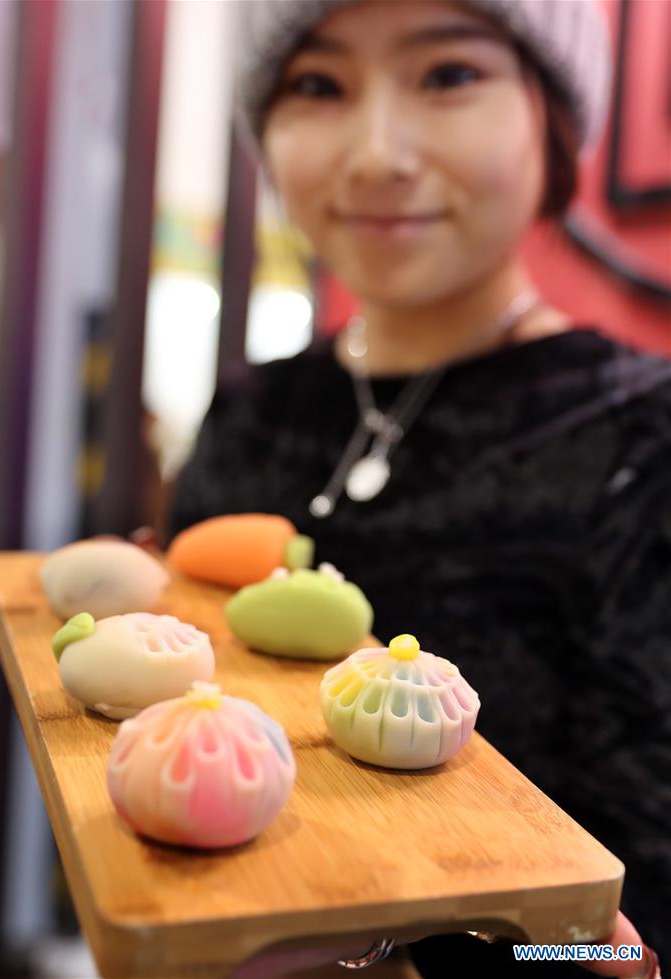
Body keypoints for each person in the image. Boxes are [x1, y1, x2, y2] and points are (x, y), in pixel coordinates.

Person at [170, 1, 670, 976]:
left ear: (551, 120)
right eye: (319, 84)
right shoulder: (248, 409)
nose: (377, 155)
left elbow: (634, 944)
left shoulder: (640, 438)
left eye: (448, 75)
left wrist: (416, 946)